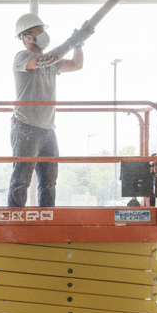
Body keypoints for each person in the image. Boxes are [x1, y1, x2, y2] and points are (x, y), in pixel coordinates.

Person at [7, 13, 92, 208]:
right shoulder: (23, 57)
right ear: (27, 37)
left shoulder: (51, 63)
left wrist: (78, 45)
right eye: (39, 32)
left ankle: (46, 221)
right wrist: (72, 41)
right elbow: (46, 59)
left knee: (49, 182)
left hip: (47, 129)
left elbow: (76, 65)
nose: (44, 35)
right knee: (21, 180)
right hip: (26, 127)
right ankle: (14, 223)